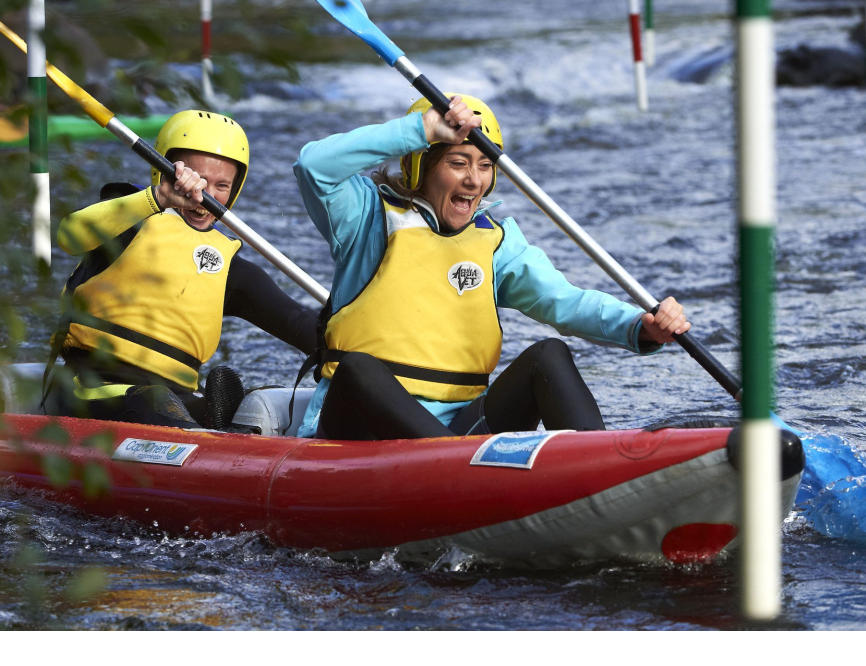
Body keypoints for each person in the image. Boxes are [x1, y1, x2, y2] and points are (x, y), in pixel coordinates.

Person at [292, 94, 690, 441]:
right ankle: (447, 467)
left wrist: (640, 325)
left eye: (484, 165)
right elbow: (314, 165)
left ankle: (602, 477)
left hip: (458, 431)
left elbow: (565, 302)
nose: (473, 180)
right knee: (358, 369)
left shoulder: (496, 241)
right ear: (421, 165)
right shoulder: (366, 216)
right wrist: (421, 128)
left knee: (548, 356)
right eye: (458, 162)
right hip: (358, 431)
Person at [45, 109, 318, 429]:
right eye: (196, 179)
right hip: (90, 387)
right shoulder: (128, 217)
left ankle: (221, 434)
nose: (207, 194)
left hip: (176, 398)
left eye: (221, 185)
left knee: (250, 405)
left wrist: (363, 351)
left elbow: (300, 324)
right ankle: (204, 441)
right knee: (154, 401)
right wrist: (160, 197)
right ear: (163, 171)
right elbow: (69, 235)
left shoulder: (228, 264)